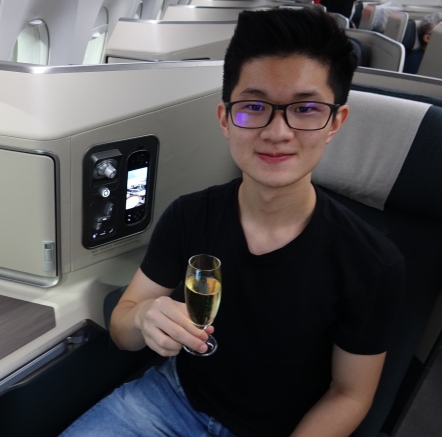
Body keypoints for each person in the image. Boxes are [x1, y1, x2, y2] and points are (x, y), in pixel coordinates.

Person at [61, 7, 405, 437]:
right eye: (254, 106)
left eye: (306, 109)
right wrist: (145, 316)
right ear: (226, 119)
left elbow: (350, 394)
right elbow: (122, 328)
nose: (278, 132)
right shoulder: (190, 215)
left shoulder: (370, 263)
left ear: (336, 122)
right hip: (169, 400)